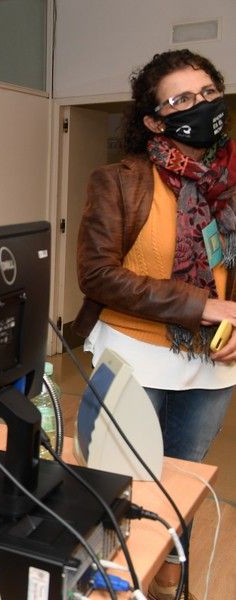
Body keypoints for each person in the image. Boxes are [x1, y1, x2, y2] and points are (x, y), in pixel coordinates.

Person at [73, 49, 235, 600]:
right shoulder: (119, 180)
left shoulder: (229, 180)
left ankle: (169, 581)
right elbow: (97, 275)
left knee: (182, 485)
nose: (202, 105)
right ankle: (115, 584)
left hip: (211, 364)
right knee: (123, 486)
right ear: (153, 119)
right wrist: (202, 305)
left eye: (209, 92)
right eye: (183, 98)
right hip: (134, 358)